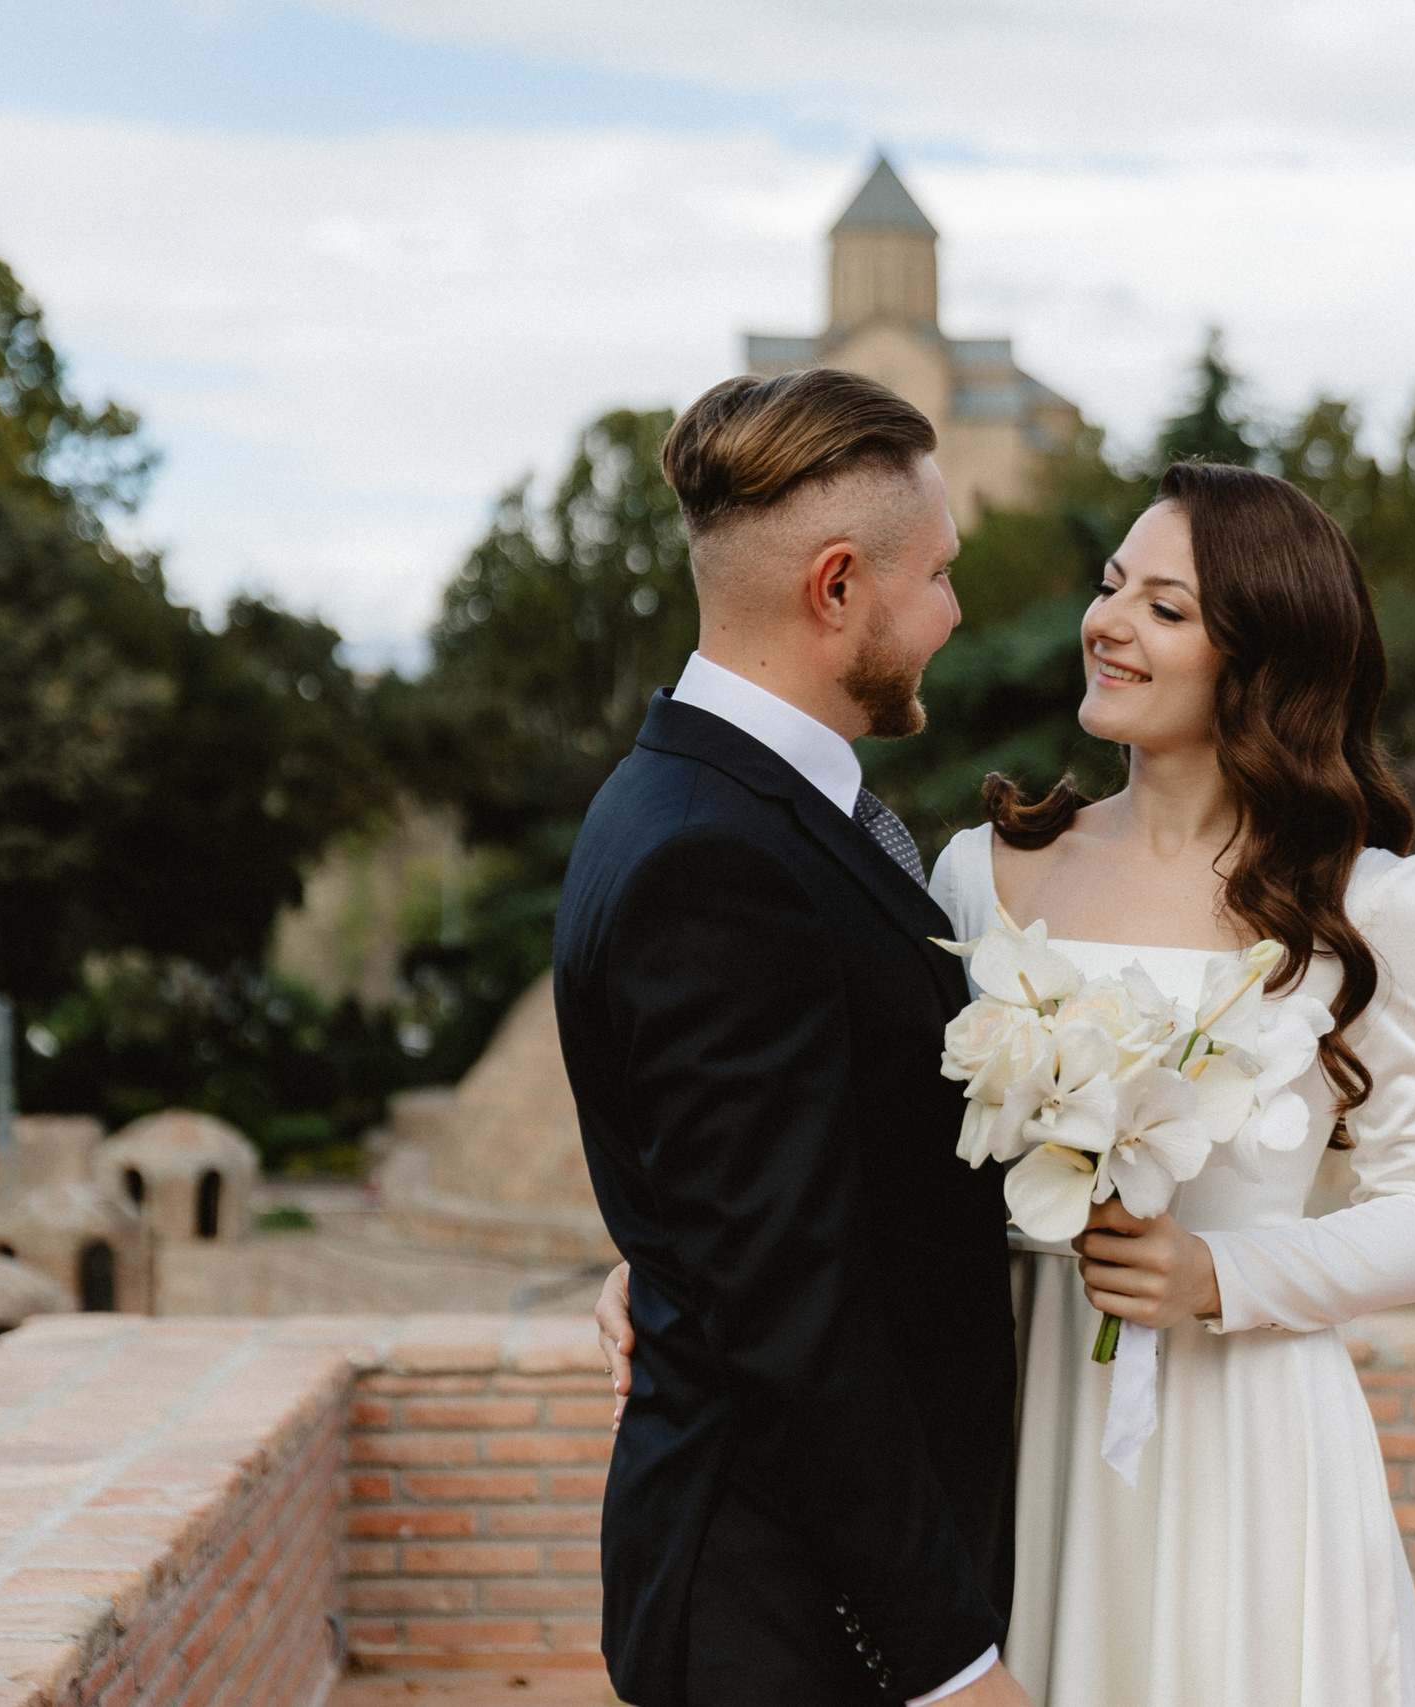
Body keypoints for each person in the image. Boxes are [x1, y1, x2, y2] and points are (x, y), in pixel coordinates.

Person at [601, 459, 1415, 1705]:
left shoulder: (1374, 908)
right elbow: (828, 1142)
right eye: (1112, 584)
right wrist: (672, 1255)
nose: (1108, 622)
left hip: (1248, 1435)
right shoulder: (985, 875)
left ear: (1265, 657)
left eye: (1165, 608)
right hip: (1018, 1422)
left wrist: (1219, 1275)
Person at [555, 367, 1030, 1707]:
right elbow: (791, 1307)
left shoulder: (721, 801)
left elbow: (756, 1189)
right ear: (838, 586)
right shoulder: (718, 857)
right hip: (781, 1605)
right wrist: (950, 1663)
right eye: (934, 573)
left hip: (814, 1575)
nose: (954, 610)